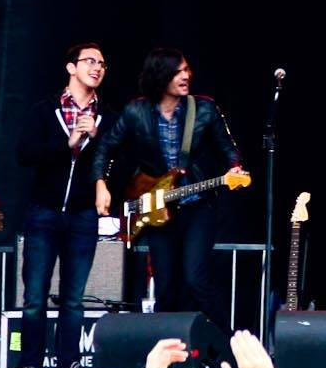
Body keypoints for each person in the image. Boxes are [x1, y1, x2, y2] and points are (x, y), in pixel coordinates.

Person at [93, 48, 243, 321]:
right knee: (166, 287)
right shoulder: (136, 111)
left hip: (196, 206)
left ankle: (227, 345)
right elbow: (106, 147)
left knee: (195, 278)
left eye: (187, 70)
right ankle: (170, 354)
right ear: (161, 76)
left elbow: (228, 148)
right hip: (157, 209)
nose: (186, 76)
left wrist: (234, 166)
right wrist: (101, 182)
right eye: (178, 72)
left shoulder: (204, 109)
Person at [12, 42, 109, 368]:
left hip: (82, 215)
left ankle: (70, 365)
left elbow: (115, 163)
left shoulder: (105, 116)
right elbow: (24, 153)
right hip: (44, 212)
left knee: (74, 298)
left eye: (101, 64)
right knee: (35, 296)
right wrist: (66, 143)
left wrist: (95, 139)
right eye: (89, 61)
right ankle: (29, 365)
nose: (96, 67)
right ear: (71, 68)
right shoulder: (45, 110)